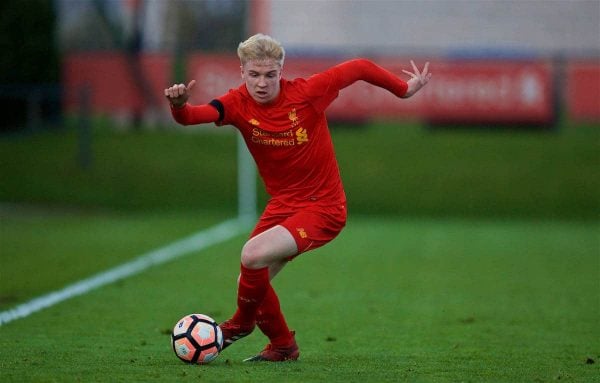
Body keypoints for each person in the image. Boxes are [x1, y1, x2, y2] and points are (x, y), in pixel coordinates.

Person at [164, 33, 431, 362]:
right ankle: (282, 346)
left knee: (252, 255)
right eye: (254, 75)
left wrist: (404, 91)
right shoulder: (235, 103)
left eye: (270, 75)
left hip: (324, 207)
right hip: (283, 205)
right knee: (251, 277)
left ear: (281, 71)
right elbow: (192, 116)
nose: (262, 83)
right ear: (242, 71)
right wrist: (178, 106)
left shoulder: (308, 93)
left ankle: (240, 325)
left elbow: (360, 67)